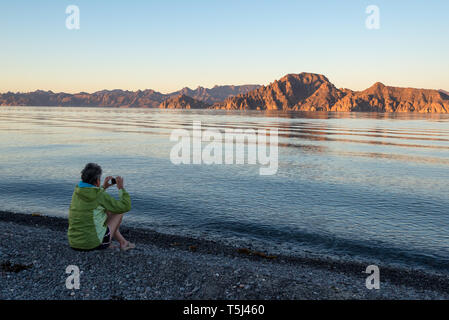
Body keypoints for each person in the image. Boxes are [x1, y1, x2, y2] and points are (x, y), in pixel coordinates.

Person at [67, 163, 135, 251]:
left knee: (104, 210)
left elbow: (93, 197)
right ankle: (122, 243)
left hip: (74, 242)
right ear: (97, 181)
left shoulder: (76, 192)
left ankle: (123, 242)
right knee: (118, 212)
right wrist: (121, 188)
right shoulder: (100, 195)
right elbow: (125, 206)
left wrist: (103, 187)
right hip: (93, 244)